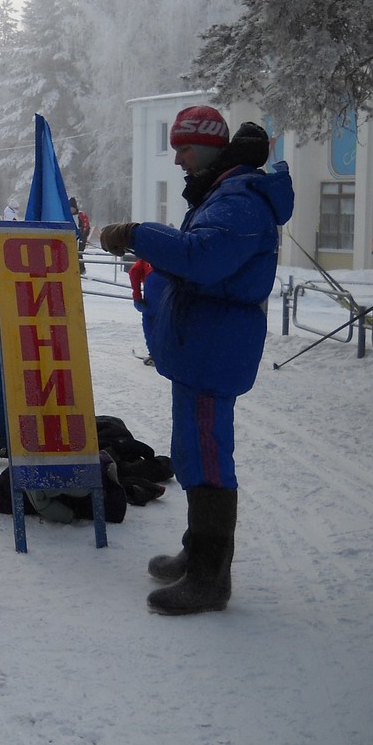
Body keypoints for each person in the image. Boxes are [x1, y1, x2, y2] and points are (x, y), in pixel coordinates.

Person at [99, 106, 294, 615]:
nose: (178, 158)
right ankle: (197, 551)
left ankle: (211, 577)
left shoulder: (241, 200)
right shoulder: (222, 194)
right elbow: (195, 262)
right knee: (191, 451)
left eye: (184, 148)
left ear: (208, 147)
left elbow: (202, 259)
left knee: (207, 453)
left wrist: (140, 234)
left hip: (216, 345)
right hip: (203, 342)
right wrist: (156, 277)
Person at [70, 197, 90, 274]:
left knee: (79, 253)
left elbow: (86, 226)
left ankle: (81, 270)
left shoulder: (81, 215)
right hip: (71, 238)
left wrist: (82, 236)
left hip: (80, 238)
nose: (72, 210)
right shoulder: (67, 215)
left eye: (73, 208)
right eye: (70, 208)